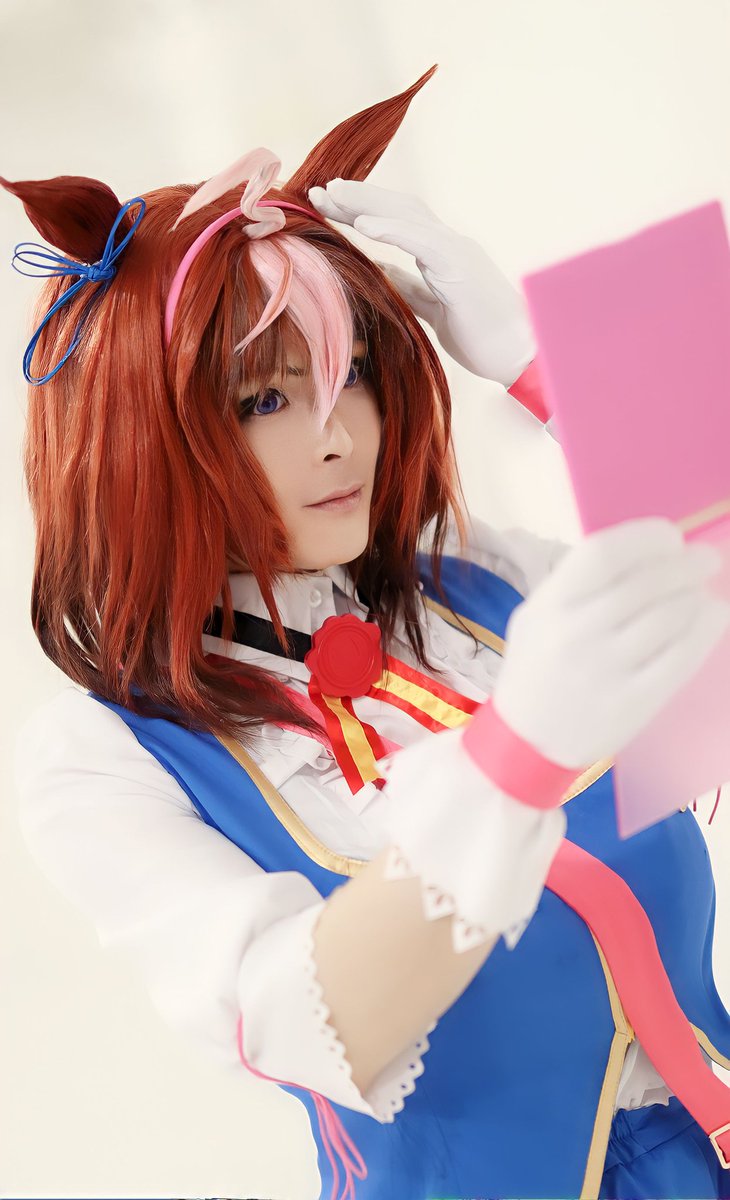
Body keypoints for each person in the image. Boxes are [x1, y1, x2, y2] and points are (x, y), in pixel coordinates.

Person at [8, 63, 730, 1200]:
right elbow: (306, 1013)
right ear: (143, 442)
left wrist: (540, 362)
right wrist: (514, 758)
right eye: (264, 398)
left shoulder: (474, 587)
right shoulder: (103, 762)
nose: (337, 434)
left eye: (352, 374)